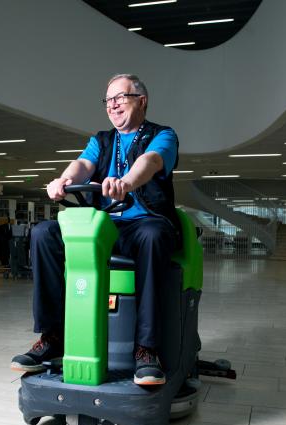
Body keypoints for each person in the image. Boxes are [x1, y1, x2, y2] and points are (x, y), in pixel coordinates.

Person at [11, 73, 180, 386]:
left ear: (141, 101)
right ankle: (53, 336)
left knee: (154, 236)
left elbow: (151, 162)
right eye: (108, 100)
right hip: (105, 226)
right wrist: (62, 180)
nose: (113, 105)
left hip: (145, 223)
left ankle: (146, 349)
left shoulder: (163, 135)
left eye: (121, 97)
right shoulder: (101, 140)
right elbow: (82, 165)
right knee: (44, 233)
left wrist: (126, 183)